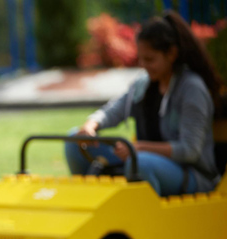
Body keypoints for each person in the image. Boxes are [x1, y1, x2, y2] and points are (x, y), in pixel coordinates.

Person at [65, 10, 223, 196]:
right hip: (141, 160)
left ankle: (143, 217)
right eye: (141, 58)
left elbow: (189, 151)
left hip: (191, 175)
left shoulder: (192, 89)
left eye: (150, 59)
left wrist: (138, 148)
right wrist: (91, 125)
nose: (143, 65)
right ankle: (91, 202)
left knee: (139, 162)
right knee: (74, 141)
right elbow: (113, 110)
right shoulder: (144, 84)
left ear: (171, 54)